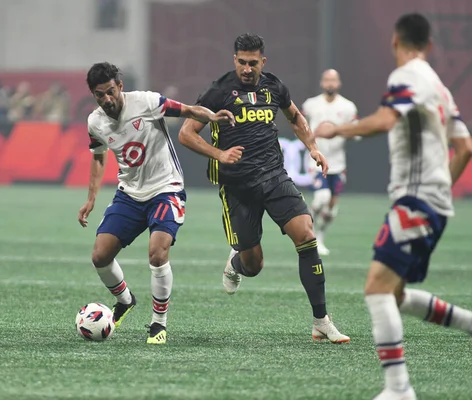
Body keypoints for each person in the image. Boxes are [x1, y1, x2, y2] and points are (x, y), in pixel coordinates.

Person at [316, 13, 472, 400]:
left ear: (394, 41)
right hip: (431, 201)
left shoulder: (407, 76)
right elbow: (465, 147)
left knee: (376, 290)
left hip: (416, 200)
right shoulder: (440, 87)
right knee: (396, 294)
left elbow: (385, 121)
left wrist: (339, 130)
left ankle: (398, 389)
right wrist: (440, 191)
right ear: (430, 45)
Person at [178, 33, 350, 343]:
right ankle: (235, 262)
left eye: (252, 63)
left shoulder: (274, 86)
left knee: (307, 236)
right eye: (242, 62)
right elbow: (186, 134)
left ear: (262, 61)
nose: (247, 68)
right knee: (254, 266)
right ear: (235, 60)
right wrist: (219, 154)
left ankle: (321, 320)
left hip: (274, 177)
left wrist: (312, 147)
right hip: (237, 186)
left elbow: (295, 117)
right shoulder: (218, 92)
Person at [78, 62, 234, 344]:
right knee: (100, 256)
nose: (107, 99)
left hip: (166, 189)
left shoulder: (147, 102)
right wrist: (91, 199)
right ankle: (125, 301)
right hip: (129, 194)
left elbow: (187, 110)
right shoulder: (95, 122)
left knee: (157, 253)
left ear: (120, 86)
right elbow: (99, 156)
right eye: (99, 95)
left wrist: (211, 117)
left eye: (110, 91)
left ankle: (158, 323)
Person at [302, 69, 359, 255]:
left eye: (333, 80)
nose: (330, 84)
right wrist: (312, 138)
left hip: (338, 163)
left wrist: (337, 131)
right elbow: (299, 125)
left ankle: (319, 237)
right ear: (321, 82)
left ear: (339, 83)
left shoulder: (348, 107)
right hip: (316, 161)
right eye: (327, 80)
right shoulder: (311, 105)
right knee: (322, 198)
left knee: (331, 208)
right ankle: (305, 226)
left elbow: (356, 132)